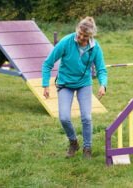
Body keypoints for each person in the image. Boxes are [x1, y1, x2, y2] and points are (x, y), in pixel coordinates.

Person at [42, 17, 107, 159]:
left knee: (86, 117)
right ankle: (73, 142)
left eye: (85, 36)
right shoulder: (66, 42)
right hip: (65, 83)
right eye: (79, 34)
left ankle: (87, 148)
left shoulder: (95, 48)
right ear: (77, 30)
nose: (81, 37)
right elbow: (47, 63)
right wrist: (45, 84)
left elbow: (101, 69)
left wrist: (103, 84)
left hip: (84, 83)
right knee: (64, 117)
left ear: (90, 36)